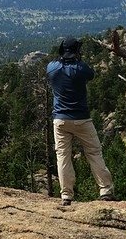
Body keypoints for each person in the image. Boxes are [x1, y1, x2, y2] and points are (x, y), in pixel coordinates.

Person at [46, 37, 115, 206]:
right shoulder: (81, 68)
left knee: (63, 157)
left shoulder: (52, 68)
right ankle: (105, 190)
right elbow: (90, 74)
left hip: (60, 120)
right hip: (82, 119)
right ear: (77, 51)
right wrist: (78, 59)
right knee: (94, 152)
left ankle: (66, 195)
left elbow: (54, 65)